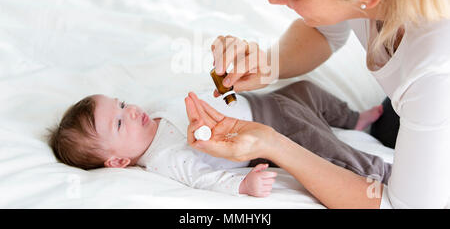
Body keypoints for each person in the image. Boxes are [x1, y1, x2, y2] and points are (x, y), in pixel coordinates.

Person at [185, 0, 450, 208]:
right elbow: (326, 33)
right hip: (416, 109)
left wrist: (274, 144)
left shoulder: (435, 73)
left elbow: (401, 207)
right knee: (388, 128)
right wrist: (271, 64)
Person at [48, 80, 389, 197]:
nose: (131, 110)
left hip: (260, 101)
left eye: (121, 103)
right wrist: (243, 187)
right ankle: (379, 173)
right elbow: (204, 179)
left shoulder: (151, 113)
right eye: (120, 123)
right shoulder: (165, 158)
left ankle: (351, 118)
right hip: (272, 128)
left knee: (307, 90)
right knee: (324, 146)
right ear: (119, 161)